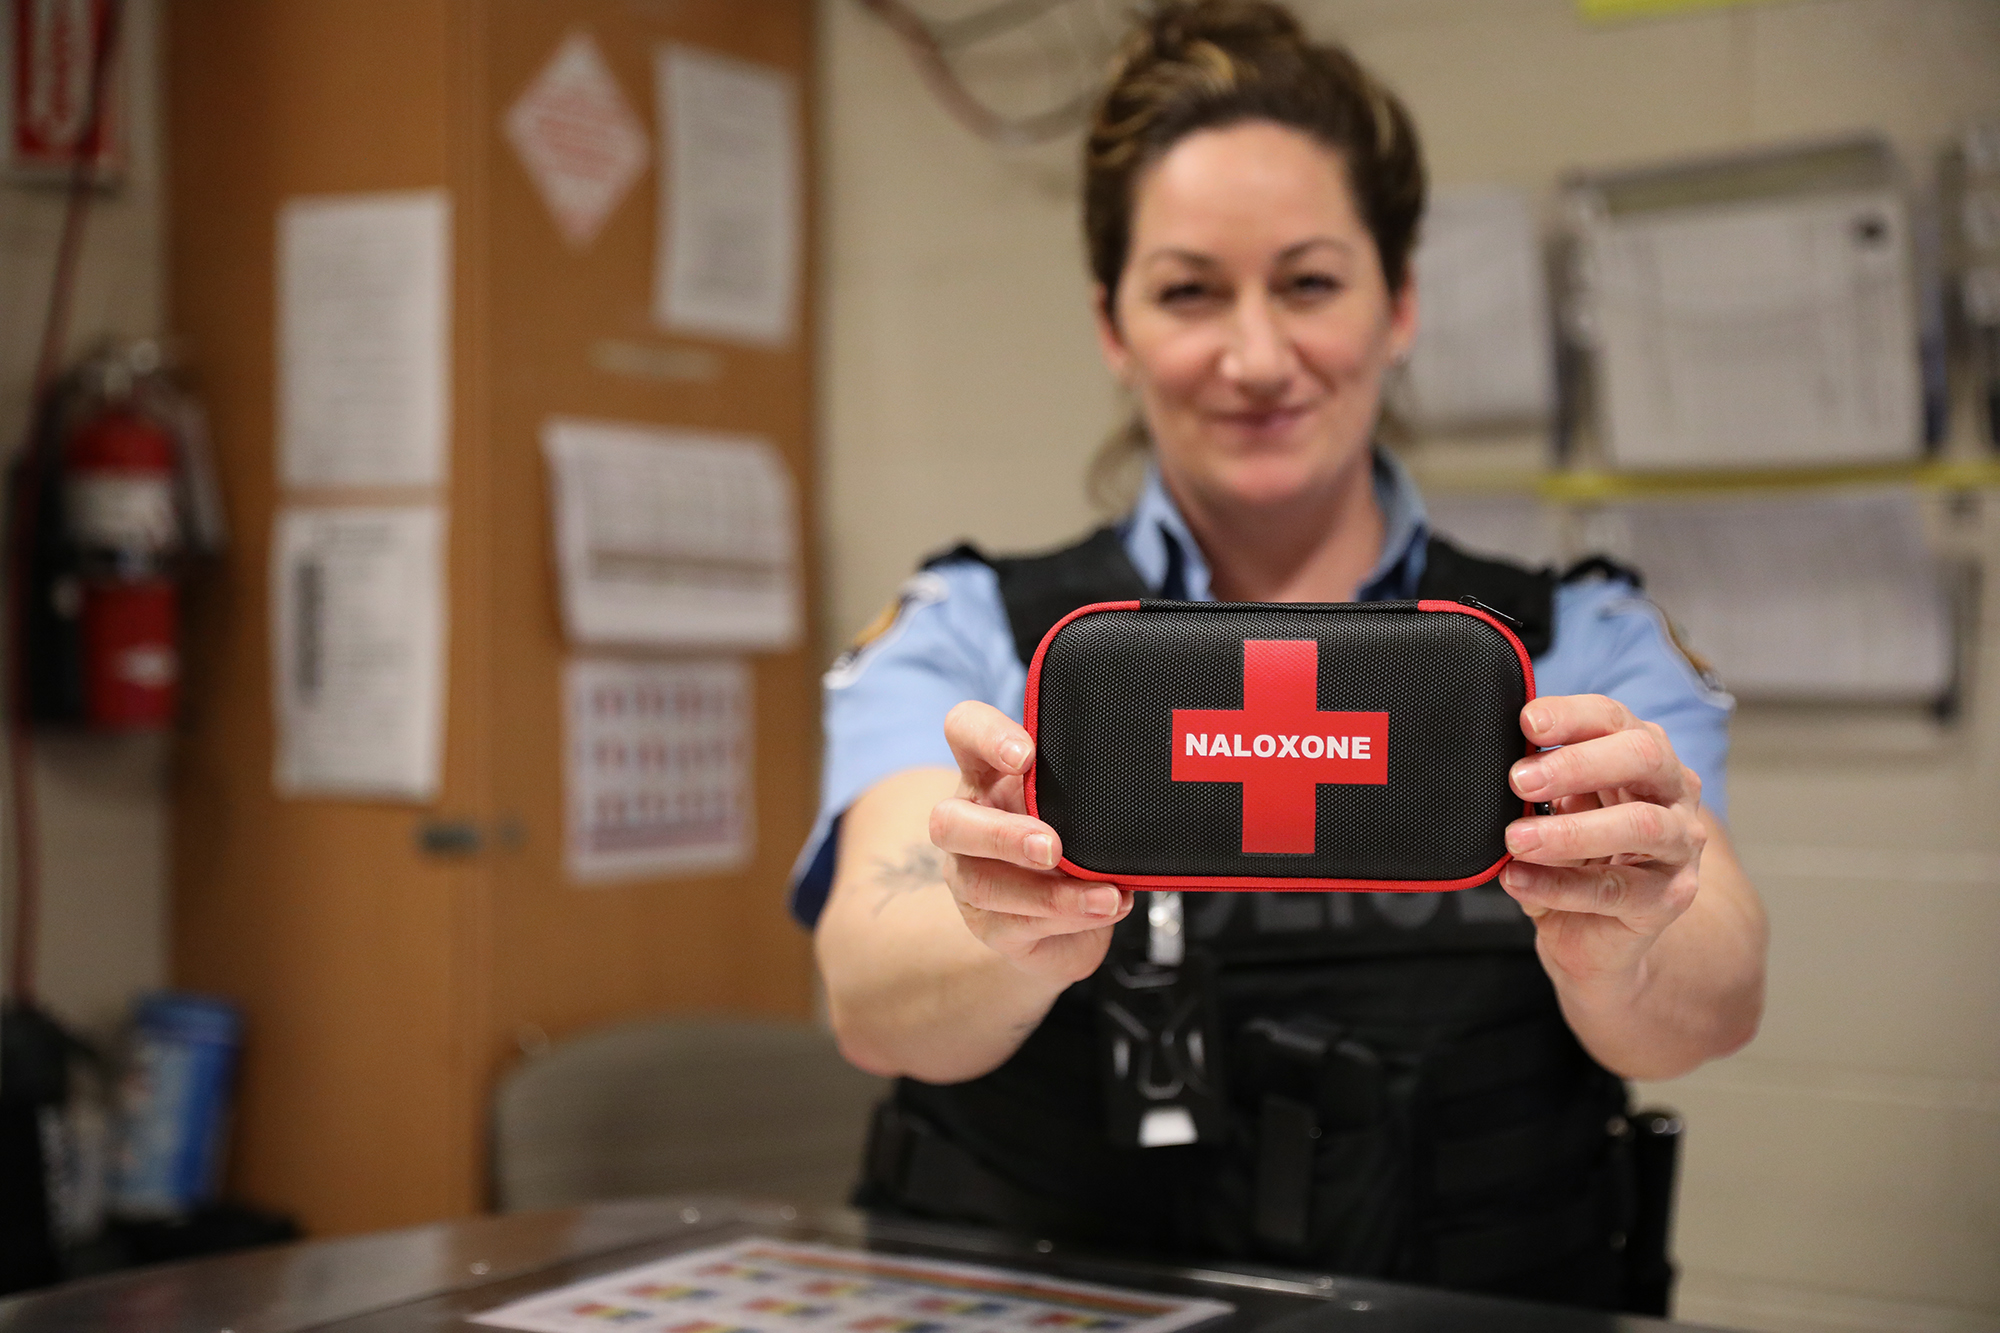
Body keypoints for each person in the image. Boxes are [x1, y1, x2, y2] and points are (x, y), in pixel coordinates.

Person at [793, 0, 1767, 1310]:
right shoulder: (974, 626)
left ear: (1398, 300)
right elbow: (871, 989)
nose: (1256, 357)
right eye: (1190, 290)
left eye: (1309, 282)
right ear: (1112, 323)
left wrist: (1628, 947)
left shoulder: (1579, 641)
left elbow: (1715, 999)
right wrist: (1007, 931)